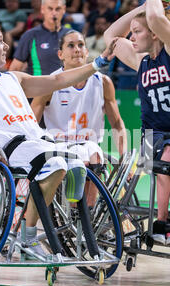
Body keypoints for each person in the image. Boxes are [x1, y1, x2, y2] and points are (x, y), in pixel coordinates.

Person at [0, 22, 114, 256]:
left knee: (78, 161)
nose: (6, 45)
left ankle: (74, 225)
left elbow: (58, 81)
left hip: (38, 141)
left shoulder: (13, 77)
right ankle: (28, 237)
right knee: (55, 165)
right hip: (10, 145)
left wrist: (97, 64)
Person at [104, 0, 170, 245]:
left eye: (137, 31)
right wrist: (139, 11)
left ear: (153, 33)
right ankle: (159, 222)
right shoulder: (141, 62)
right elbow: (110, 36)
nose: (132, 36)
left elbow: (157, 20)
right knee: (165, 154)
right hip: (152, 138)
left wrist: (153, 6)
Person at [31, 30, 127, 207]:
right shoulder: (50, 82)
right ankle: (76, 214)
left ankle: (86, 215)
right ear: (61, 55)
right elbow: (30, 124)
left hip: (88, 145)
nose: (77, 49)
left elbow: (117, 123)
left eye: (81, 45)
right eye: (71, 45)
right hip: (58, 146)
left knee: (93, 155)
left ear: (87, 52)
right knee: (81, 161)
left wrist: (123, 155)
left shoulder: (103, 82)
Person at [9, 0, 70, 75]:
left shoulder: (72, 35)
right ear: (42, 9)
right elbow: (15, 68)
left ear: (64, 9)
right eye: (50, 9)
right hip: (39, 85)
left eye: (58, 9)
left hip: (67, 86)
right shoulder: (30, 35)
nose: (54, 13)